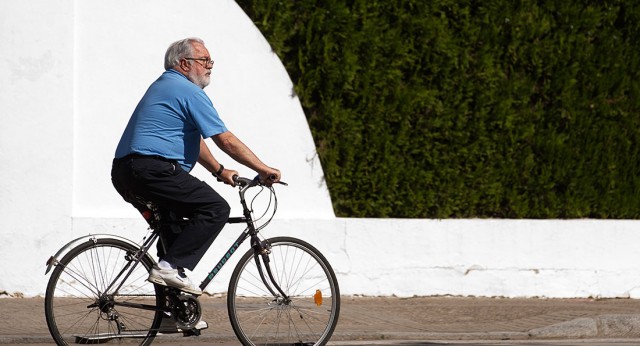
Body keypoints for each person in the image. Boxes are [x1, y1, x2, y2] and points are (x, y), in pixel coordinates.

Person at [111, 37, 281, 295]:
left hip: (126, 172)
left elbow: (192, 139)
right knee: (215, 208)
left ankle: (171, 312)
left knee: (174, 232)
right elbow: (226, 140)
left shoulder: (164, 86)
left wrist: (220, 171)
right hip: (153, 169)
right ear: (184, 63)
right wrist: (263, 168)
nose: (210, 66)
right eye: (204, 60)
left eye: (210, 61)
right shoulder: (188, 91)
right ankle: (170, 267)